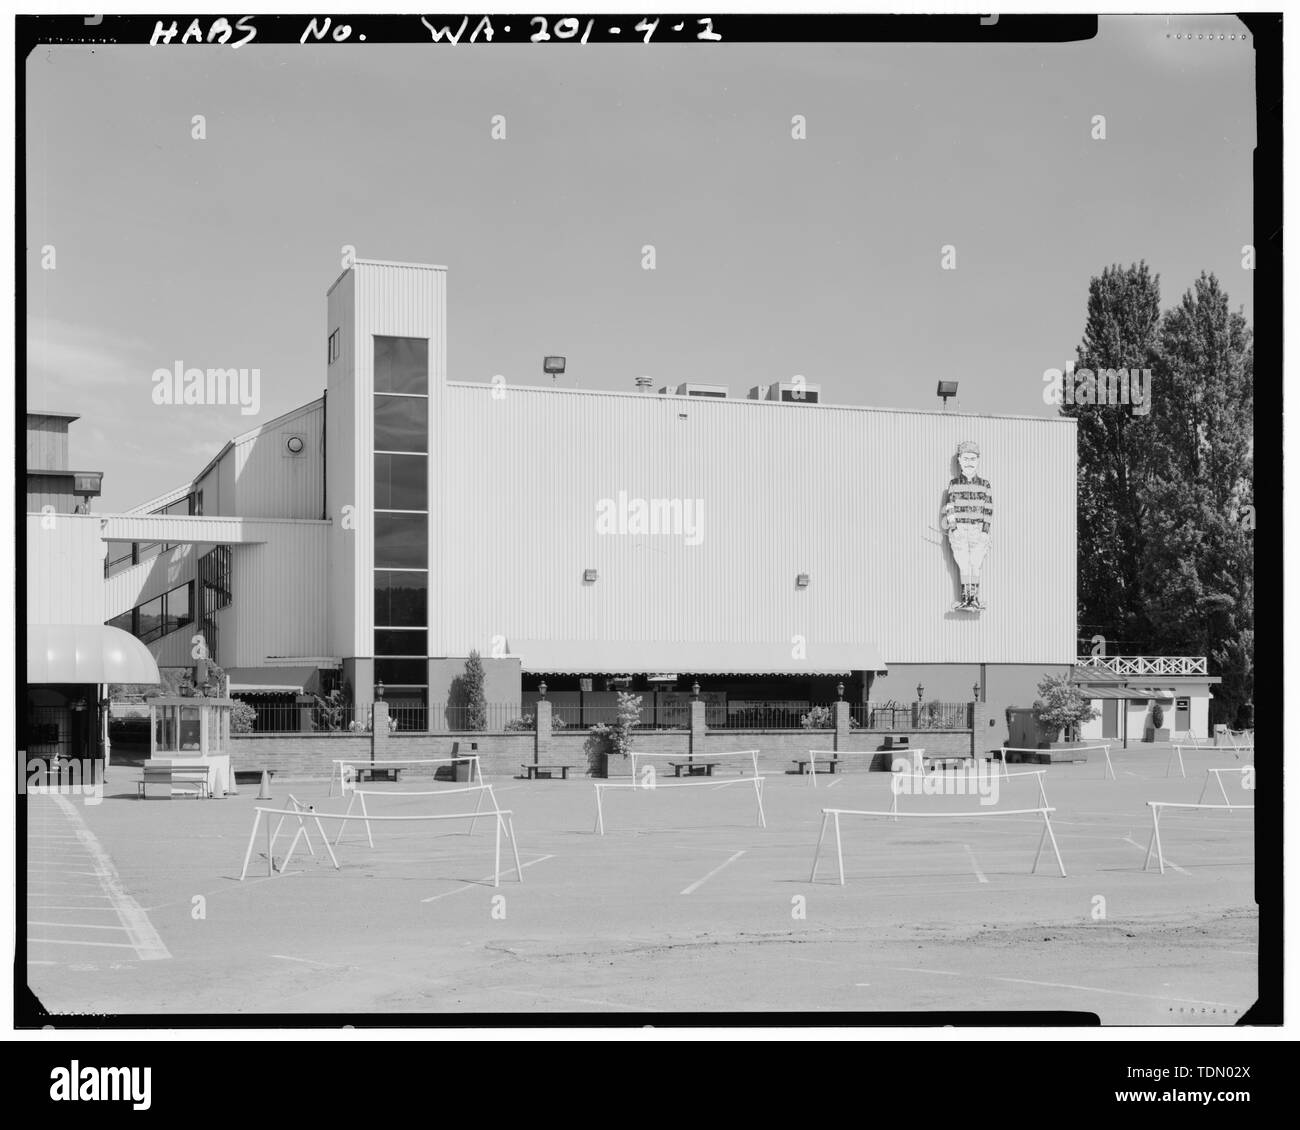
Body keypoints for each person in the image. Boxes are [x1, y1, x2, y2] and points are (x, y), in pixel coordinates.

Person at [941, 439, 993, 612]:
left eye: (973, 458)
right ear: (960, 461)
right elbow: (950, 507)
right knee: (963, 563)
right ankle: (965, 599)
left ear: (978, 460)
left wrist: (985, 531)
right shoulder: (954, 484)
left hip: (978, 530)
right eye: (966, 458)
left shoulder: (985, 485)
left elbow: (988, 509)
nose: (969, 462)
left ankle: (974, 599)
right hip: (961, 529)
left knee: (975, 564)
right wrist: (954, 528)